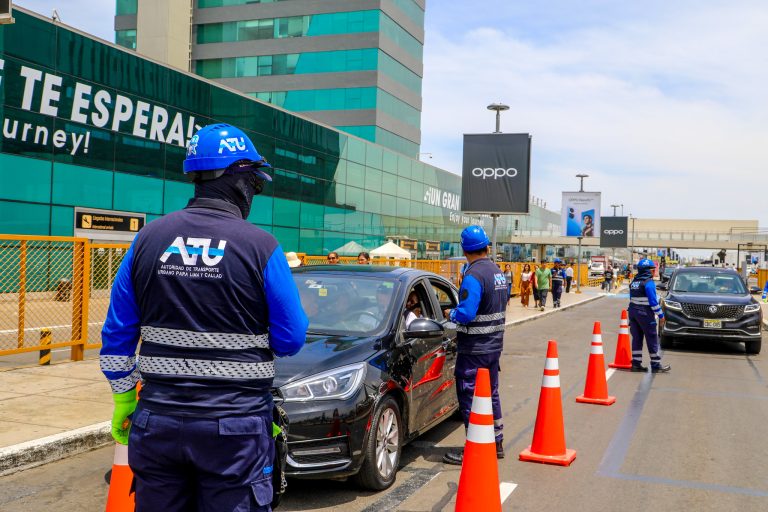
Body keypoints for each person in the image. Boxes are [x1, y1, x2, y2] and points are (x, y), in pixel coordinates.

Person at [100, 123, 308, 511]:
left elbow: (116, 333)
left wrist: (124, 397)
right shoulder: (261, 247)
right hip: (234, 428)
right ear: (240, 179)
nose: (254, 193)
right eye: (254, 184)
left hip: (157, 422)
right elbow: (291, 337)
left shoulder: (147, 239)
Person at [442, 225, 507, 465]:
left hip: (474, 348)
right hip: (493, 346)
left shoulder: (473, 276)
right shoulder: (497, 271)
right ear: (486, 246)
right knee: (491, 394)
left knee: (470, 396)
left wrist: (450, 314)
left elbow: (467, 313)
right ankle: (496, 442)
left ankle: (475, 447)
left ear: (464, 249)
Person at [628, 258, 671, 373]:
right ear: (648, 271)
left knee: (637, 338)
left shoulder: (634, 282)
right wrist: (661, 316)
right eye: (653, 270)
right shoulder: (649, 283)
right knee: (652, 338)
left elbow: (632, 299)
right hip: (645, 314)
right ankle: (656, 365)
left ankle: (636, 364)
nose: (654, 272)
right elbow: (653, 302)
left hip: (633, 313)